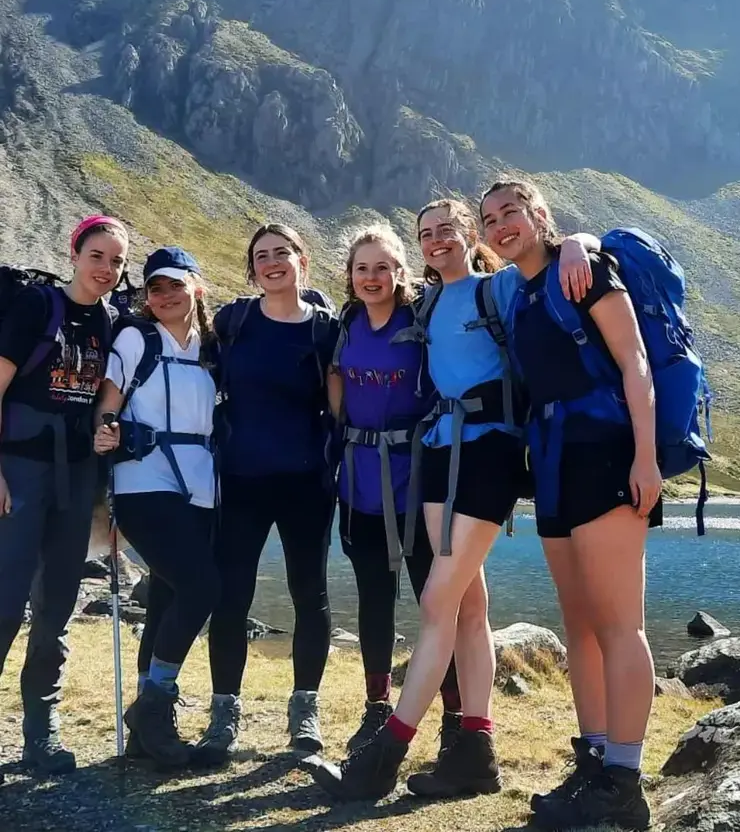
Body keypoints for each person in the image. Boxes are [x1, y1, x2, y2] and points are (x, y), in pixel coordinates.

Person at [310, 199, 597, 801]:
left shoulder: (500, 288)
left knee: (436, 600)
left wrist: (575, 241)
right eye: (426, 233)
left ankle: (383, 756)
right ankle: (474, 754)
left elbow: (556, 263)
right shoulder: (427, 301)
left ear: (471, 233)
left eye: (447, 229)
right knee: (468, 606)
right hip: (438, 452)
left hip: (490, 452)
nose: (436, 239)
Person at [481, 178, 659, 832]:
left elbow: (635, 362)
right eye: (489, 218)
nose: (500, 225)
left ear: (540, 214)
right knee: (580, 623)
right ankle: (595, 760)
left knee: (619, 625)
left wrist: (645, 457)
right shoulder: (518, 292)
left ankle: (625, 783)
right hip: (552, 464)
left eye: (511, 211)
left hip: (605, 453)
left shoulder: (584, 270)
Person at [194, 224, 338, 765]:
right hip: (241, 481)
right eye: (262, 256)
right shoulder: (234, 321)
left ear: (302, 261)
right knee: (231, 596)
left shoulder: (324, 330)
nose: (272, 262)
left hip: (307, 483)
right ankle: (223, 715)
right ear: (252, 268)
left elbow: (342, 402)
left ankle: (305, 711)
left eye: (282, 253)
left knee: (309, 594)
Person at [0, 215, 129, 774]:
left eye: (117, 261)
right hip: (19, 470)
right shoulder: (36, 306)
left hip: (76, 475)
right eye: (97, 256)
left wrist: (106, 432)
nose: (106, 268)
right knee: (5, 600)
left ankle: (40, 732)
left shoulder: (111, 322)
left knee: (57, 602)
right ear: (74, 254)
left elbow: (103, 402)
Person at [329, 225, 463, 758]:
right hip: (358, 483)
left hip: (419, 484)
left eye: (382, 267)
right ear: (350, 275)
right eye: (362, 268)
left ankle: (455, 721)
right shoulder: (346, 323)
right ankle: (377, 710)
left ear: (400, 272)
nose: (372, 277)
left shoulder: (422, 319)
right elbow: (335, 383)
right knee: (374, 599)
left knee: (437, 603)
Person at [93, 246, 220, 769]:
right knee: (201, 587)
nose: (165, 295)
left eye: (175, 285)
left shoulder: (212, 347)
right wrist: (107, 430)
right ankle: (155, 704)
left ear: (197, 288)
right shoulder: (136, 338)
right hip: (143, 481)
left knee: (168, 597)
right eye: (155, 288)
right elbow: (108, 403)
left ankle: (149, 725)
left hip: (202, 487)